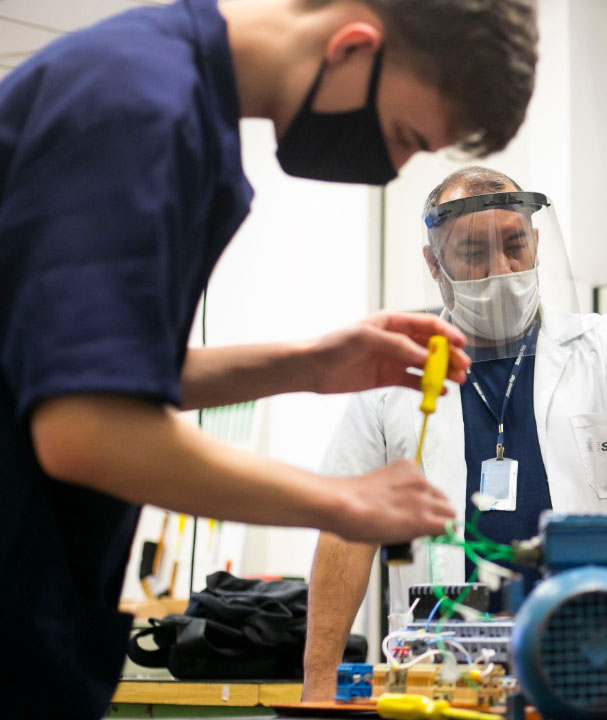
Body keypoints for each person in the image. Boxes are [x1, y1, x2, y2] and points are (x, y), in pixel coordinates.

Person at [0, 0, 536, 715]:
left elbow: (81, 375)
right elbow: (85, 429)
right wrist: (346, 501)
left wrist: (308, 365)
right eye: (404, 137)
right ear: (352, 46)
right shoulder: (139, 105)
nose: (392, 167)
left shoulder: (167, 97)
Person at [301, 166, 607, 701]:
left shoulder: (599, 344)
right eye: (473, 253)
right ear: (434, 264)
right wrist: (317, 686)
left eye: (514, 245)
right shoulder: (392, 374)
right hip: (441, 674)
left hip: (591, 659)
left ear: (537, 243)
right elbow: (345, 531)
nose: (502, 270)